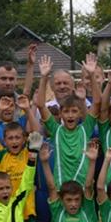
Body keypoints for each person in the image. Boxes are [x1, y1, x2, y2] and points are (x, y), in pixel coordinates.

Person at [36, 54, 100, 187]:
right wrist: (44, 77)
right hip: (61, 188)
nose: (70, 115)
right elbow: (41, 105)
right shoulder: (56, 130)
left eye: (74, 111)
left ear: (80, 113)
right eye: (66, 111)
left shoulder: (85, 128)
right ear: (60, 114)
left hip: (83, 187)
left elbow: (97, 102)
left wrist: (92, 74)